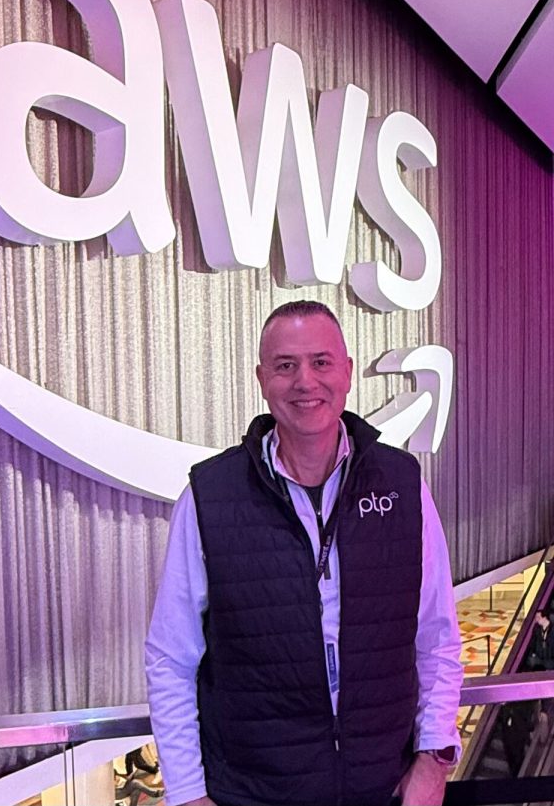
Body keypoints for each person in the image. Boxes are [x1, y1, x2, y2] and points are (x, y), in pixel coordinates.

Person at [145, 301, 463, 806]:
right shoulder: (210, 495)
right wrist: (185, 792)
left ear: (348, 373)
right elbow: (170, 658)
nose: (305, 382)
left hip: (385, 790)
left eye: (321, 362)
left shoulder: (402, 484)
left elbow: (438, 637)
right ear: (261, 379)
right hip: (252, 794)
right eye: (285, 366)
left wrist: (434, 759)